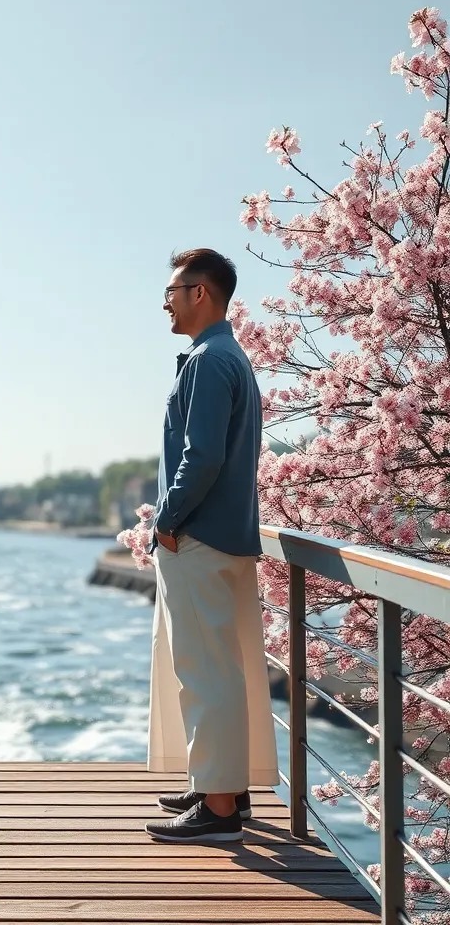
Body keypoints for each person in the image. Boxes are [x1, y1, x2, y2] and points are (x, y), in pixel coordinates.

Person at [144, 248, 279, 844]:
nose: (165, 301)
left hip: (198, 537)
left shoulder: (207, 361)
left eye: (173, 290)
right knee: (222, 668)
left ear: (202, 293)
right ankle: (220, 786)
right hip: (227, 536)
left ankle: (220, 809)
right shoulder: (233, 358)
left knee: (204, 671)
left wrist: (166, 520)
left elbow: (201, 456)